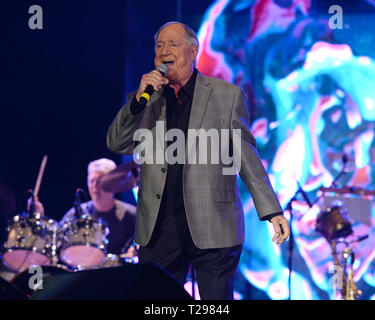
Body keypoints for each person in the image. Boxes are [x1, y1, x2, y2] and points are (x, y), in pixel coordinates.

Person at [106, 21, 289, 300]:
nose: (163, 51)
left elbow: (246, 157)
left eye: (172, 44)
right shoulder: (146, 100)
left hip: (213, 222)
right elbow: (116, 142)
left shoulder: (226, 96)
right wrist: (136, 104)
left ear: (193, 52)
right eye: (158, 46)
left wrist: (272, 210)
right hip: (160, 227)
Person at [59, 158, 137, 257]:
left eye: (100, 181)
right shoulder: (76, 213)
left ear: (114, 183)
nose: (95, 186)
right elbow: (56, 237)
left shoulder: (131, 214)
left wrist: (135, 250)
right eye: (92, 181)